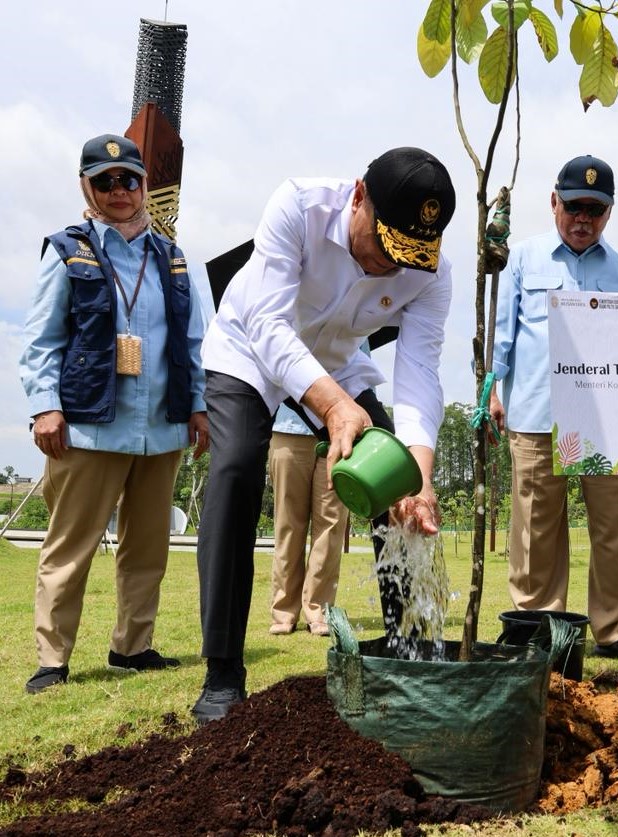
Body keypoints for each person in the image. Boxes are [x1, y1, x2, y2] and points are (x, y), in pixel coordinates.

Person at [192, 147, 456, 722]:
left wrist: (421, 470)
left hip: (336, 363)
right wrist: (331, 405)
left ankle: (415, 656)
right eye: (384, 244)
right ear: (359, 196)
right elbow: (266, 323)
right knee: (235, 468)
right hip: (249, 351)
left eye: (407, 255)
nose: (391, 265)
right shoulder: (298, 206)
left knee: (398, 491)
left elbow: (418, 374)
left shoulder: (431, 273)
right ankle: (222, 672)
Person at [19, 133, 209, 694]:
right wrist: (45, 408)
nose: (120, 190)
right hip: (89, 427)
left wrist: (198, 409)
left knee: (147, 547)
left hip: (162, 427)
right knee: (70, 547)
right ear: (87, 186)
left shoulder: (172, 258)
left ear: (146, 185)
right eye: (106, 181)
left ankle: (133, 647)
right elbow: (40, 340)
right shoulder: (66, 250)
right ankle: (53, 660)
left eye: (129, 178)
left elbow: (192, 344)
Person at [489, 154, 618, 669]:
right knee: (536, 527)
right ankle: (539, 625)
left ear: (609, 212)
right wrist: (492, 390)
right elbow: (503, 333)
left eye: (595, 209)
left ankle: (616, 630)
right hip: (538, 415)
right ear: (553, 202)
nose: (583, 218)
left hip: (609, 422)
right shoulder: (522, 259)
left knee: (617, 529)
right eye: (573, 207)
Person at [267, 402, 351, 637]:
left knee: (332, 524)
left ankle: (320, 611)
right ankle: (284, 611)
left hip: (339, 432)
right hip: (288, 428)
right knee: (287, 523)